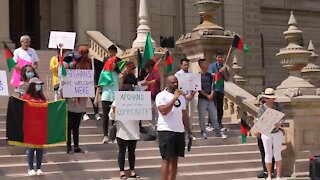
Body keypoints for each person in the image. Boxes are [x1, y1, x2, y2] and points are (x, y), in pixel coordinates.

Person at [156, 75, 193, 180]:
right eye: (173, 82)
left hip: (179, 131)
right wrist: (174, 98)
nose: (176, 84)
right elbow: (163, 111)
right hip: (166, 130)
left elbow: (184, 115)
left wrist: (189, 132)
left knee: (175, 161)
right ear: (167, 83)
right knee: (166, 160)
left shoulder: (182, 97)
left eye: (176, 82)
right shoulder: (161, 95)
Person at [256, 88, 284, 180]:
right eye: (268, 98)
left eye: (271, 98)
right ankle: (269, 175)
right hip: (266, 133)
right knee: (268, 154)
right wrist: (259, 129)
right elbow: (259, 119)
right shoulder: (263, 107)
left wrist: (279, 123)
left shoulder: (278, 106)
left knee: (277, 154)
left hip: (276, 132)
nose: (269, 100)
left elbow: (283, 117)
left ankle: (279, 176)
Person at [94, 56, 123, 143]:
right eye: (112, 62)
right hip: (106, 97)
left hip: (115, 98)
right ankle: (105, 135)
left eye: (115, 62)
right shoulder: (104, 73)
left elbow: (120, 87)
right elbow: (99, 86)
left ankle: (114, 136)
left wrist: (121, 80)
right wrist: (96, 98)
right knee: (106, 116)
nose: (114, 64)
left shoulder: (118, 74)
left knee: (115, 117)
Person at [21, 77, 46, 176]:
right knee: (31, 148)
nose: (39, 86)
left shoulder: (42, 98)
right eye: (37, 84)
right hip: (30, 126)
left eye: (39, 84)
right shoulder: (26, 97)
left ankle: (39, 168)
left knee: (40, 149)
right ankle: (30, 168)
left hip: (40, 126)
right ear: (32, 86)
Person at [198, 58, 226, 139]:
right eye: (205, 64)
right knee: (202, 117)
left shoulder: (211, 75)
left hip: (211, 100)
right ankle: (203, 132)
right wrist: (207, 95)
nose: (207, 65)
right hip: (202, 99)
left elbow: (215, 85)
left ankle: (218, 133)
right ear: (201, 65)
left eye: (207, 63)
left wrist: (212, 94)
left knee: (214, 117)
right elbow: (198, 88)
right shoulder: (197, 76)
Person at [77, 46, 102, 121]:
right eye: (83, 53)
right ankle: (84, 113)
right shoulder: (78, 62)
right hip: (81, 83)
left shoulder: (90, 61)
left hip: (91, 82)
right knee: (83, 99)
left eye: (86, 53)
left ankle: (97, 113)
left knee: (94, 98)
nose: (85, 55)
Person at [208, 51, 230, 131]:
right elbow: (210, 74)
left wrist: (224, 71)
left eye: (222, 57)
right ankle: (210, 124)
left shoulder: (224, 67)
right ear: (216, 58)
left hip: (220, 90)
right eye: (219, 57)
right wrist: (220, 71)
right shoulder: (212, 66)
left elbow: (227, 79)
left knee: (220, 108)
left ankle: (219, 123)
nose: (220, 59)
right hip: (213, 89)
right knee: (212, 107)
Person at [174, 57, 196, 131]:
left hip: (191, 98)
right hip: (182, 98)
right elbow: (176, 88)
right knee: (183, 116)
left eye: (187, 65)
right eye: (184, 65)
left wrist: (192, 95)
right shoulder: (177, 75)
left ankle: (190, 131)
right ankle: (182, 131)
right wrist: (185, 95)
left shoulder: (191, 74)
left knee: (190, 116)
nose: (186, 66)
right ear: (181, 65)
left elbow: (196, 86)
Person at [142, 60, 161, 129]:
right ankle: (154, 129)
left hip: (155, 96)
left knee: (157, 114)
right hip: (149, 97)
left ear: (150, 67)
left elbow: (157, 80)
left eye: (147, 67)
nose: (146, 69)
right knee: (150, 115)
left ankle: (158, 129)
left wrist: (147, 83)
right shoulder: (148, 75)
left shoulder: (154, 72)